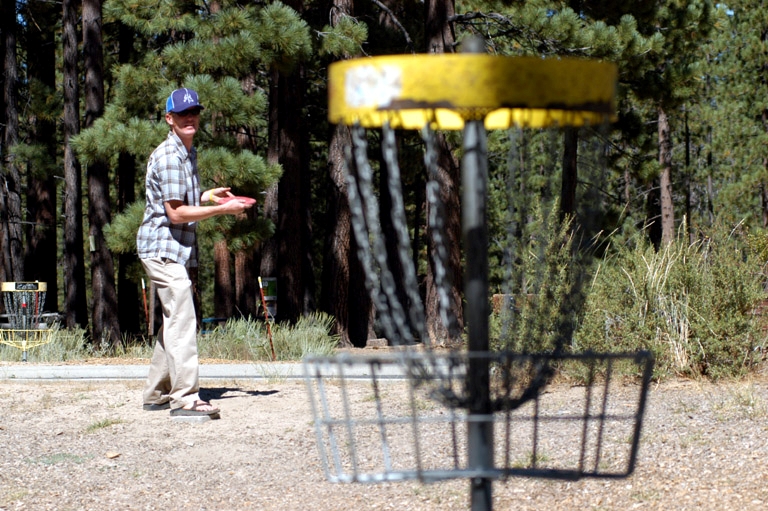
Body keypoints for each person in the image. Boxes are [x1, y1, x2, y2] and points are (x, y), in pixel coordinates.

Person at [136, 87, 253, 419]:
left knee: (175, 319)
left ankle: (157, 393)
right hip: (161, 247)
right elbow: (175, 213)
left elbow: (179, 197)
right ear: (169, 118)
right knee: (183, 316)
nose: (190, 118)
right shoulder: (169, 156)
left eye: (194, 112)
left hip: (171, 248)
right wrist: (223, 210)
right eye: (182, 113)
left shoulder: (187, 153)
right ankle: (186, 399)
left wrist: (209, 197)